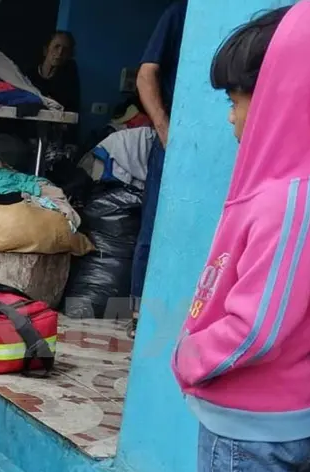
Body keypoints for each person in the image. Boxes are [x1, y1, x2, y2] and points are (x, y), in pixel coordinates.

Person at [169, 4, 310, 472]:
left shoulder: (291, 197)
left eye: (240, 99)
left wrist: (188, 358)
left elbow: (257, 325)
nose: (233, 118)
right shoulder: (307, 188)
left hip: (252, 425)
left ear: (287, 95)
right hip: (296, 415)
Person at [129, 0, 187, 337]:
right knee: (155, 226)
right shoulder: (179, 13)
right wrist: (164, 128)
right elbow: (146, 73)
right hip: (172, 141)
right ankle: (140, 315)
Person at [28, 31, 80, 114]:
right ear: (46, 50)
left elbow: (72, 106)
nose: (60, 53)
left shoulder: (68, 75)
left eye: (65, 50)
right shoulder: (30, 73)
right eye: (56, 47)